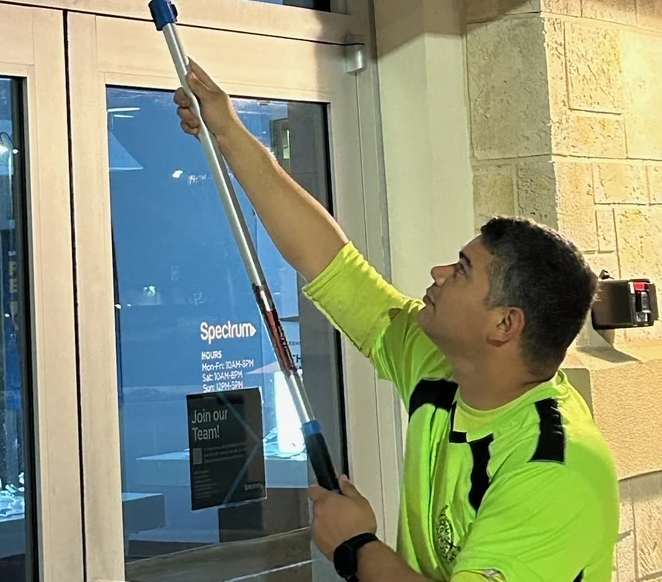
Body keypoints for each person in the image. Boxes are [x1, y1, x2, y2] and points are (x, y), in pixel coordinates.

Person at [175, 63, 619, 582]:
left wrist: (355, 544)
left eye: (462, 269)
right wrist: (229, 133)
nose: (438, 271)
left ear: (504, 325)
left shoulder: (555, 467)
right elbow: (331, 264)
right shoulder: (439, 367)